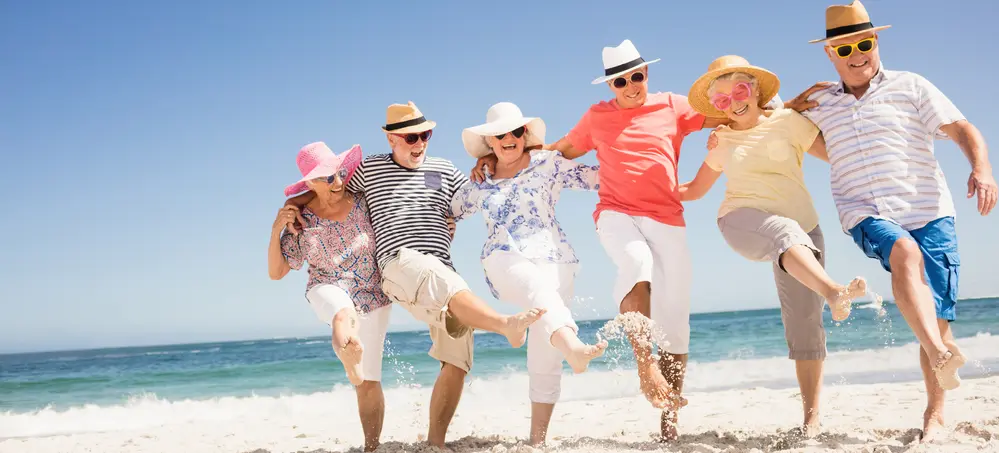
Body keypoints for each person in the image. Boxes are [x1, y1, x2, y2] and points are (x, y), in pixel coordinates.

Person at [791, 0, 997, 442]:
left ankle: (935, 413)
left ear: (876, 40)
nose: (857, 55)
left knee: (935, 314)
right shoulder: (819, 103)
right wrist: (790, 105)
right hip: (865, 211)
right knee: (903, 251)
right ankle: (941, 354)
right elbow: (771, 126)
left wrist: (981, 169)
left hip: (930, 209)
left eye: (864, 43)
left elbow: (962, 128)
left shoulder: (912, 85)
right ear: (830, 53)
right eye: (845, 49)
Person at [283, 101, 545, 449]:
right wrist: (294, 206)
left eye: (425, 135)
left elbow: (471, 196)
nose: (419, 143)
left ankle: (435, 444)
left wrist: (492, 160)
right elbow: (329, 187)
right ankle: (504, 325)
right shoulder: (370, 169)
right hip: (397, 263)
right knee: (441, 281)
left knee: (458, 355)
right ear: (391, 139)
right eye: (410, 137)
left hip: (441, 269)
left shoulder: (444, 169)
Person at [679, 55, 869, 436]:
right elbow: (695, 190)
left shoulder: (789, 122)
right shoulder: (722, 141)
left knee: (805, 324)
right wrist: (642, 189)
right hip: (742, 219)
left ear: (756, 90)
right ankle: (834, 289)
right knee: (783, 232)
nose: (733, 101)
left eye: (739, 89)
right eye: (721, 98)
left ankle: (811, 419)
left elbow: (839, 155)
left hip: (805, 229)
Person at [451, 102, 609, 446]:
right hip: (503, 257)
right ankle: (574, 345)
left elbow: (601, 177)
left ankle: (537, 442)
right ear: (489, 142)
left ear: (525, 135)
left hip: (557, 261)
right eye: (500, 135)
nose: (509, 138)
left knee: (544, 354)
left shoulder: (548, 165)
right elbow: (448, 211)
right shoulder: (481, 181)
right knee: (535, 289)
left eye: (516, 131)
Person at [268, 142, 392, 452]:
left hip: (373, 293)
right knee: (341, 312)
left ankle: (372, 447)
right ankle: (347, 356)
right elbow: (278, 271)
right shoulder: (303, 220)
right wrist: (275, 229)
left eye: (339, 174)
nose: (337, 183)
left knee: (370, 381)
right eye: (327, 178)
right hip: (326, 285)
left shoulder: (365, 202)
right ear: (310, 183)